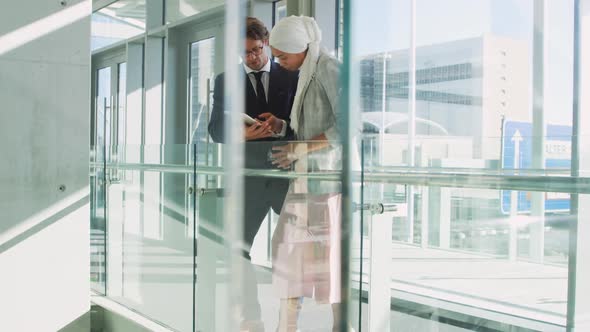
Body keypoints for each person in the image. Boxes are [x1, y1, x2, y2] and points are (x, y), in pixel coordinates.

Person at [208, 17, 298, 331]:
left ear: (266, 44)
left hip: (286, 174)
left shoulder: (291, 75)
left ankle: (289, 318)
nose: (253, 57)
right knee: (238, 248)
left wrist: (284, 131)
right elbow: (216, 129)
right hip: (247, 178)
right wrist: (244, 135)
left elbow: (302, 124)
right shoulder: (225, 80)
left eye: (258, 50)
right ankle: (252, 318)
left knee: (291, 250)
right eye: (245, 52)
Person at [269, 15, 346, 332]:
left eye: (282, 55)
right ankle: (286, 327)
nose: (278, 61)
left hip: (326, 182)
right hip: (303, 180)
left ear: (301, 48)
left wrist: (301, 149)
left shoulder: (329, 68)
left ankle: (341, 326)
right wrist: (282, 127)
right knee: (286, 251)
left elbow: (348, 126)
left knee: (330, 260)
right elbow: (307, 128)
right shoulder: (305, 73)